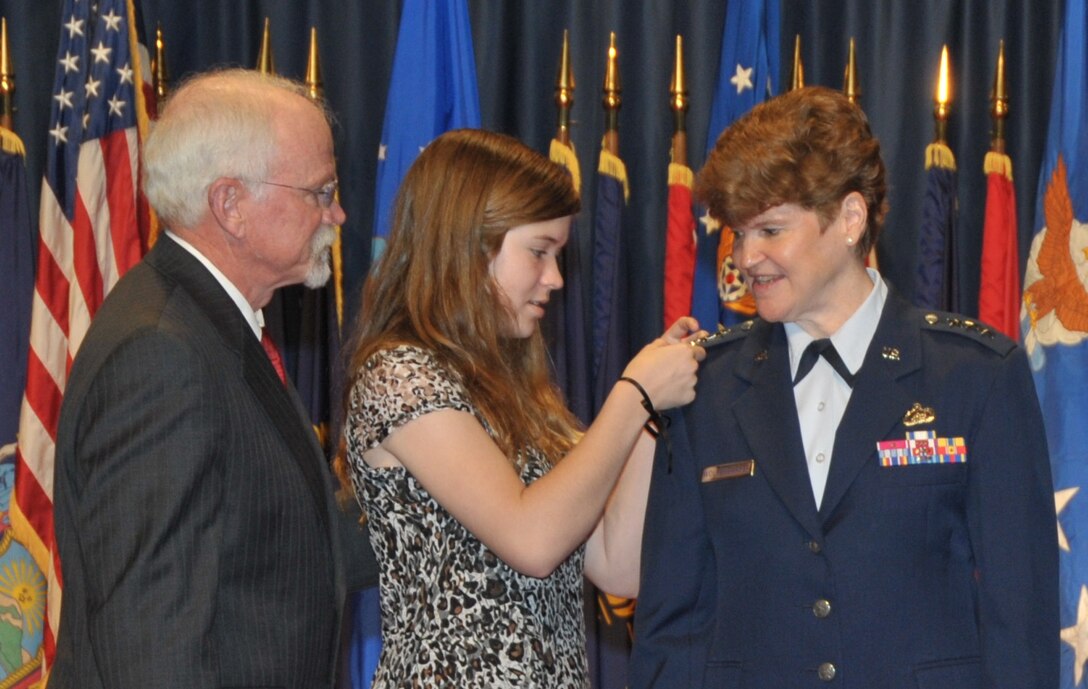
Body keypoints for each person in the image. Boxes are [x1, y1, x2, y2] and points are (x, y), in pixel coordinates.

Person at [630, 86, 1058, 689]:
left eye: (771, 231)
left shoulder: (975, 376)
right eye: (738, 233)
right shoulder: (705, 386)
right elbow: (673, 624)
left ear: (850, 218)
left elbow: (1022, 621)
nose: (746, 258)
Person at [51, 69, 378, 688]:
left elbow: (291, 541)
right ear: (230, 205)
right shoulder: (161, 355)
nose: (337, 212)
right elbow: (152, 648)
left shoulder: (213, 322)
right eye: (319, 190)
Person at [342, 128, 703, 687]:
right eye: (538, 252)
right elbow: (531, 540)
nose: (555, 279)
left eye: (558, 255)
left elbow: (616, 565)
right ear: (467, 242)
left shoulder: (514, 385)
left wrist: (650, 418)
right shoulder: (400, 376)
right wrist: (635, 396)